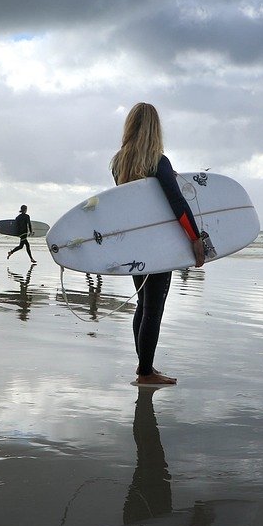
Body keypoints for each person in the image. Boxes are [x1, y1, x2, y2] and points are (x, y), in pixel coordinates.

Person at [111, 102, 206, 387]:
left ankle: (144, 366)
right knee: (154, 308)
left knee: (144, 304)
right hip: (159, 248)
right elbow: (176, 203)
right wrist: (196, 238)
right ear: (155, 128)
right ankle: (145, 371)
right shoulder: (158, 161)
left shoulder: (119, 162)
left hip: (134, 245)